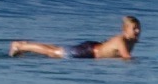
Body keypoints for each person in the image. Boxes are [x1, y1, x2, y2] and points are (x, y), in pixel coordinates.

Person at [10, 15, 140, 60]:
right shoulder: (121, 40)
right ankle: (20, 46)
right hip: (87, 52)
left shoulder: (131, 40)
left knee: (56, 49)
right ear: (124, 30)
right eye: (134, 28)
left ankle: (25, 45)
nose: (137, 31)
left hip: (92, 50)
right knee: (53, 53)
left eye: (138, 28)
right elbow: (126, 58)